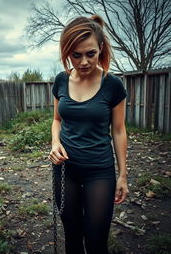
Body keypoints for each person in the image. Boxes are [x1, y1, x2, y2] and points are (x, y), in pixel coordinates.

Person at [49, 15, 129, 254]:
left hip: (99, 171)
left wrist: (123, 175)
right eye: (76, 55)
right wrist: (55, 143)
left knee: (95, 243)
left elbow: (119, 130)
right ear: (67, 52)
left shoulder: (113, 85)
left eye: (90, 54)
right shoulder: (61, 81)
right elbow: (56, 120)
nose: (83, 62)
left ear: (101, 49)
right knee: (72, 238)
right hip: (65, 171)